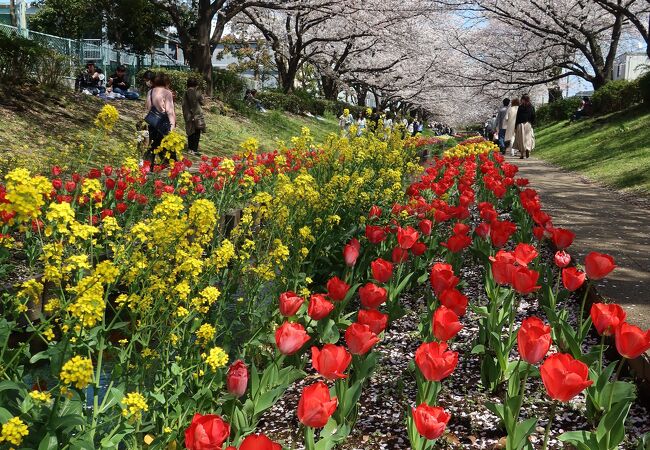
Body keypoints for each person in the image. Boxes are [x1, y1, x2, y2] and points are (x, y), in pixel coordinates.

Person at [144, 73, 176, 167]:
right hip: (164, 123)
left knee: (153, 146)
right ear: (166, 82)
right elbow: (169, 111)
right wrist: (172, 125)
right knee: (168, 148)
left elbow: (148, 107)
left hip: (152, 123)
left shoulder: (150, 92)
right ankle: (172, 168)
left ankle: (149, 167)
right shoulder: (167, 93)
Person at [182, 77, 206, 155]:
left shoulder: (186, 92)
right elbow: (203, 102)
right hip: (195, 115)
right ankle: (194, 149)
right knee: (196, 132)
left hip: (188, 115)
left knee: (190, 132)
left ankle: (190, 149)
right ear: (196, 85)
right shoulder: (196, 92)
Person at [514, 94, 536, 159]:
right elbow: (533, 116)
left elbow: (517, 117)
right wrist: (532, 123)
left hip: (520, 124)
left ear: (523, 99)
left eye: (522, 99)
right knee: (528, 138)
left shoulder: (520, 107)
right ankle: (528, 150)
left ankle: (522, 154)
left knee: (521, 139)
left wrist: (515, 126)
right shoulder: (531, 107)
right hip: (528, 124)